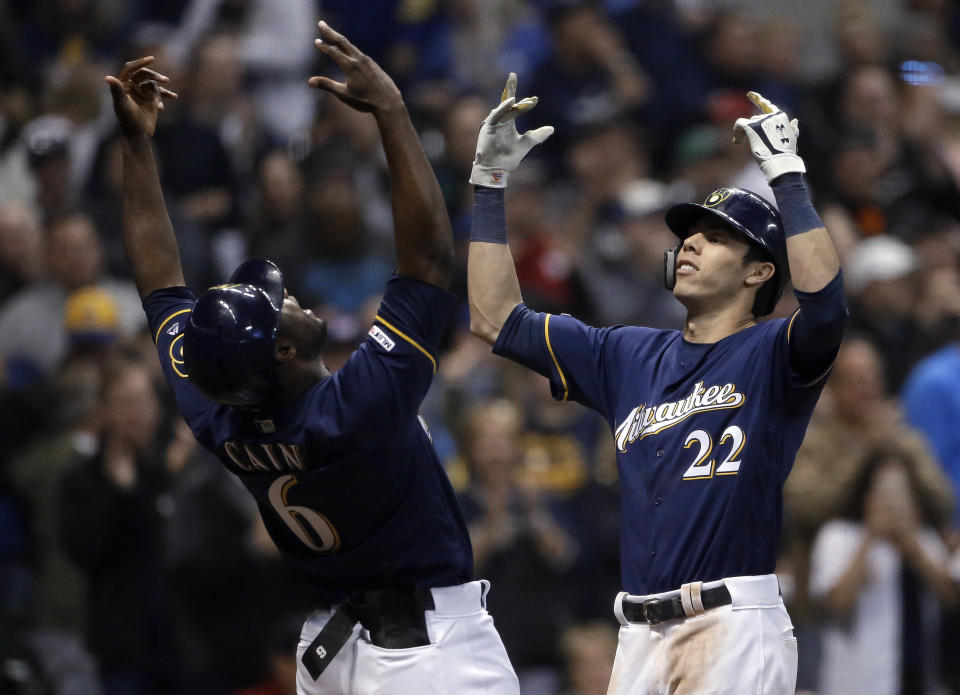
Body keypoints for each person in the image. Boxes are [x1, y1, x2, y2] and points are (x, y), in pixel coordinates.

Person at [106, 21, 518, 695]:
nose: (291, 293)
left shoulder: (218, 411)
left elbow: (158, 286)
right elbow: (430, 262)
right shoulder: (356, 406)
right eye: (281, 304)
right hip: (423, 655)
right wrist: (391, 111)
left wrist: (134, 144)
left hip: (333, 654)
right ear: (288, 350)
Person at [467, 76, 846, 694]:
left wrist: (788, 177)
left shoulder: (772, 351)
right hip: (637, 632)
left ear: (759, 271)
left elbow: (826, 307)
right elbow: (494, 318)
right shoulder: (625, 353)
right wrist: (488, 184)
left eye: (717, 237)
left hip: (731, 620)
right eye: (689, 234)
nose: (692, 242)